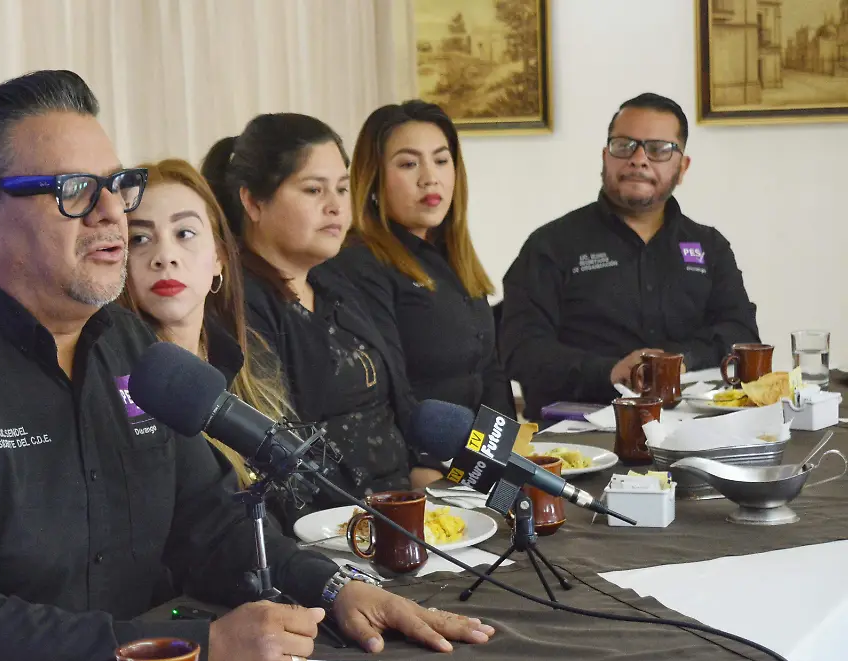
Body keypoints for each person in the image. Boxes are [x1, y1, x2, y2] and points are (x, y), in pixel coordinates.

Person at [0, 71, 493, 661]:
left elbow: (209, 521)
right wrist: (202, 648)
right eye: (73, 190)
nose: (113, 213)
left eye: (117, 185)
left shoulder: (121, 340)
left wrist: (334, 588)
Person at [202, 114, 444, 522]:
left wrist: (434, 486)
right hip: (326, 531)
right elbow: (281, 459)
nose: (335, 206)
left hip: (400, 511)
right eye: (314, 189)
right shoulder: (236, 303)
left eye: (342, 188)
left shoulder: (337, 281)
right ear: (253, 202)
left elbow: (398, 406)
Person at [500, 92, 759, 419]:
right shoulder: (551, 246)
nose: (638, 159)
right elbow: (520, 349)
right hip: (579, 431)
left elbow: (742, 336)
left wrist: (679, 361)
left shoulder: (710, 247)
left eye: (659, 149)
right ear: (605, 157)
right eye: (624, 145)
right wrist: (610, 372)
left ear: (682, 167)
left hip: (693, 426)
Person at [331, 100, 514, 422]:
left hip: (481, 446)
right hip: (423, 449)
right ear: (374, 179)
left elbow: (489, 370)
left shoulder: (452, 254)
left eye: (441, 160)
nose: (430, 178)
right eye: (408, 164)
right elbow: (392, 394)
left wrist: (505, 446)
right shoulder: (359, 264)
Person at [120, 157, 294, 490]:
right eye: (139, 239)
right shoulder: (118, 377)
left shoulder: (249, 355)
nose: (165, 256)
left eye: (184, 233)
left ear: (219, 257)